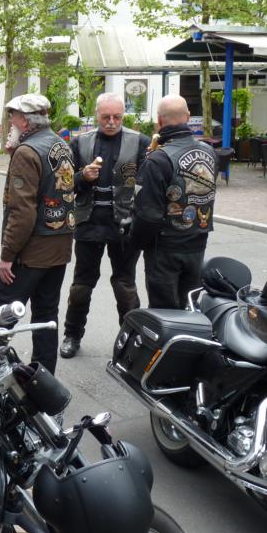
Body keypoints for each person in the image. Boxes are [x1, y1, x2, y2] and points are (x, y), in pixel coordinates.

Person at [0, 93, 74, 374]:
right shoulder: (60, 145)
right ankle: (44, 380)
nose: (10, 122)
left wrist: (7, 255)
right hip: (59, 248)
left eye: (13, 116)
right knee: (46, 317)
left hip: (31, 252)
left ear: (24, 121)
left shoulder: (27, 152)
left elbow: (22, 213)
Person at [60, 94, 149, 359]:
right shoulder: (80, 142)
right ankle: (72, 335)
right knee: (81, 284)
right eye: (106, 117)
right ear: (96, 114)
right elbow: (64, 184)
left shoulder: (140, 142)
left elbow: (147, 185)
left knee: (125, 284)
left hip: (125, 225)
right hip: (88, 223)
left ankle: (131, 341)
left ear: (123, 115)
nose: (111, 122)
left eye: (117, 117)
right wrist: (82, 177)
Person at [130, 94, 216, 309]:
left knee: (165, 312)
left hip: (165, 248)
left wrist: (133, 243)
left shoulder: (158, 159)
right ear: (188, 116)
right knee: (190, 307)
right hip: (198, 243)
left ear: (159, 120)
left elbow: (148, 215)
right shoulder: (209, 151)